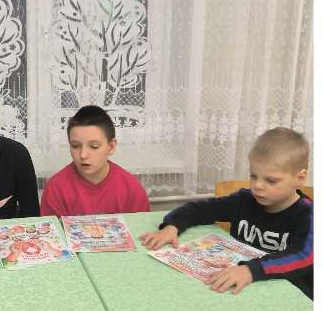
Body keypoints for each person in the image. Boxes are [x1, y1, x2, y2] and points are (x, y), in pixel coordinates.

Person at [140, 127, 313, 299]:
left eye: (271, 180)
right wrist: (172, 226)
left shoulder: (309, 214)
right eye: (253, 176)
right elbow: (199, 209)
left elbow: (304, 256)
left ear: (299, 178)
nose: (258, 186)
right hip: (237, 289)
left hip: (289, 297)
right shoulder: (244, 200)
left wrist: (250, 270)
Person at [40, 105, 150, 216]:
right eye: (75, 146)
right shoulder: (55, 188)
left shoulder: (132, 190)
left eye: (94, 146)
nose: (83, 155)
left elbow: (142, 226)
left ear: (111, 147)